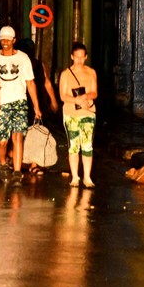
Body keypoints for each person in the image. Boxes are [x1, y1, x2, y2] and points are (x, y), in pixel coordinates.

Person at [0, 26, 44, 180]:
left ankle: (17, 172)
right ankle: (3, 163)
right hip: (2, 104)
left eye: (8, 39)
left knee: (18, 137)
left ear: (14, 40)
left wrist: (36, 106)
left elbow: (30, 83)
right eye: (3, 39)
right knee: (3, 141)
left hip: (20, 102)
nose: (5, 42)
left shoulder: (23, 58)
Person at [59, 42, 98, 187]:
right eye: (77, 57)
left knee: (87, 145)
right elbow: (63, 96)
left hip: (88, 112)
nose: (79, 60)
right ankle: (75, 177)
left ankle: (87, 177)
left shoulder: (91, 72)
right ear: (72, 57)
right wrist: (76, 100)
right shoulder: (65, 74)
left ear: (86, 57)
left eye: (82, 57)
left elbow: (94, 92)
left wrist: (85, 97)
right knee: (74, 146)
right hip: (71, 114)